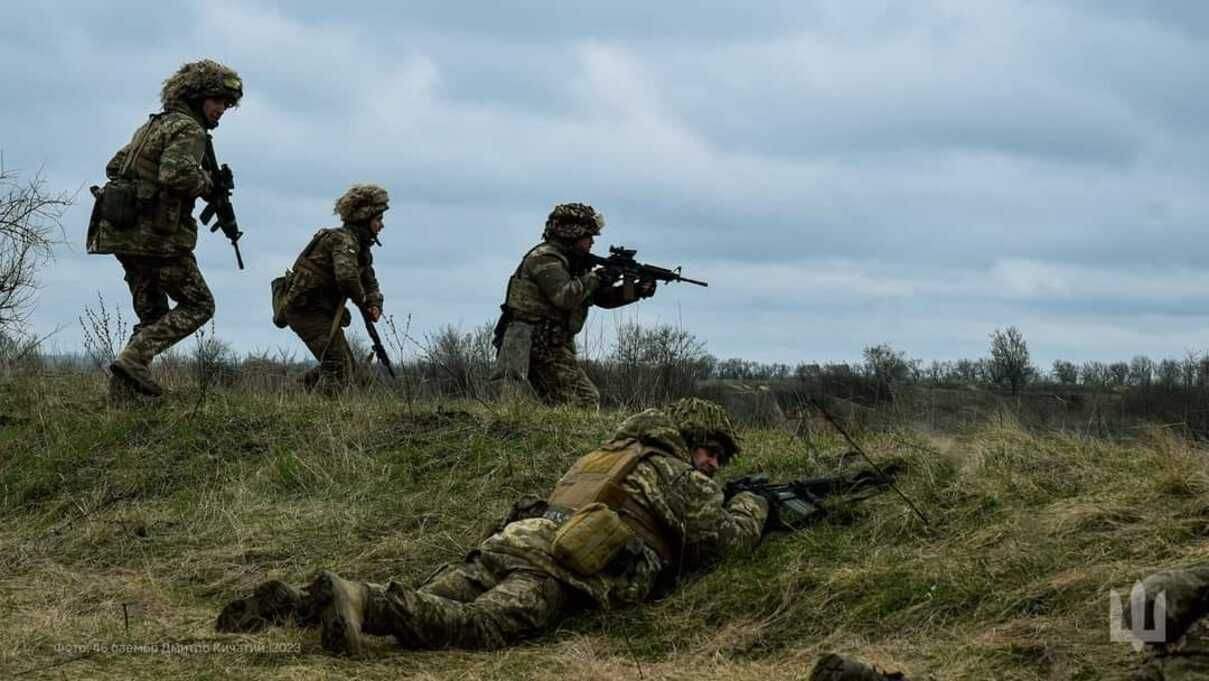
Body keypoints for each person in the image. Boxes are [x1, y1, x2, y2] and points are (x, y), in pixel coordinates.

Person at [215, 398, 769, 654]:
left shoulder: (604, 457)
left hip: (509, 544)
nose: (715, 464)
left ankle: (296, 604)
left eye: (721, 459)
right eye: (711, 450)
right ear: (687, 438)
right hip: (555, 569)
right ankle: (363, 600)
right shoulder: (679, 475)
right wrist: (752, 505)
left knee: (430, 603)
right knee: (478, 628)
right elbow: (724, 545)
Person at [87, 59, 243, 400]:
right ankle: (134, 359)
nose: (222, 109)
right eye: (217, 101)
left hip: (120, 233)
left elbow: (116, 165)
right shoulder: (190, 130)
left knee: (153, 314)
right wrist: (207, 181)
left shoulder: (153, 125)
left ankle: (123, 399)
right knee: (200, 305)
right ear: (198, 96)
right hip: (154, 239)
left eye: (226, 104)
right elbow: (176, 175)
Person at [492, 202, 654, 408]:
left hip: (552, 343)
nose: (592, 242)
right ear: (571, 235)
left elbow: (602, 299)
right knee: (583, 400)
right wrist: (598, 277)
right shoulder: (544, 258)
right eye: (588, 237)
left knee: (565, 402)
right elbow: (565, 297)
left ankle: (554, 437)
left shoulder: (574, 263)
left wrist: (636, 290)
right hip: (534, 342)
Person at [276, 184, 388, 392]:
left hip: (319, 311)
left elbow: (368, 279)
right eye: (378, 220)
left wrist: (374, 303)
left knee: (347, 368)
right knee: (337, 366)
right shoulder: (343, 240)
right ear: (365, 218)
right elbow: (346, 277)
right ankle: (318, 414)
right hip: (307, 310)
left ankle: (290, 392)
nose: (382, 226)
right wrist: (363, 302)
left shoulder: (359, 247)